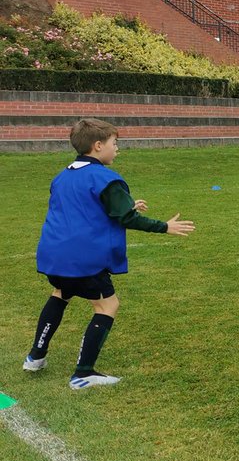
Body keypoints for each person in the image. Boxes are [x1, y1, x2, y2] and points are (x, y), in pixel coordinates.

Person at [24, 118, 195, 389]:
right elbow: (126, 218)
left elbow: (83, 208)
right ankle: (83, 372)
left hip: (54, 255)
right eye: (115, 143)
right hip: (83, 258)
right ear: (98, 145)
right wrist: (165, 227)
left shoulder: (63, 175)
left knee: (60, 294)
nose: (117, 149)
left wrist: (126, 206)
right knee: (107, 305)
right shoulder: (105, 177)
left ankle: (35, 356)